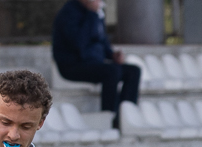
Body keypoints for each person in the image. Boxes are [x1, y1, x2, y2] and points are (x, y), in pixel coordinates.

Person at [52, 0, 140, 128]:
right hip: (72, 65)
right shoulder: (69, 13)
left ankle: (126, 116)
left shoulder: (96, 13)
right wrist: (91, 14)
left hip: (93, 63)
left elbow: (101, 41)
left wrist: (112, 55)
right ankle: (109, 116)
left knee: (133, 71)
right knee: (112, 72)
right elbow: (78, 43)